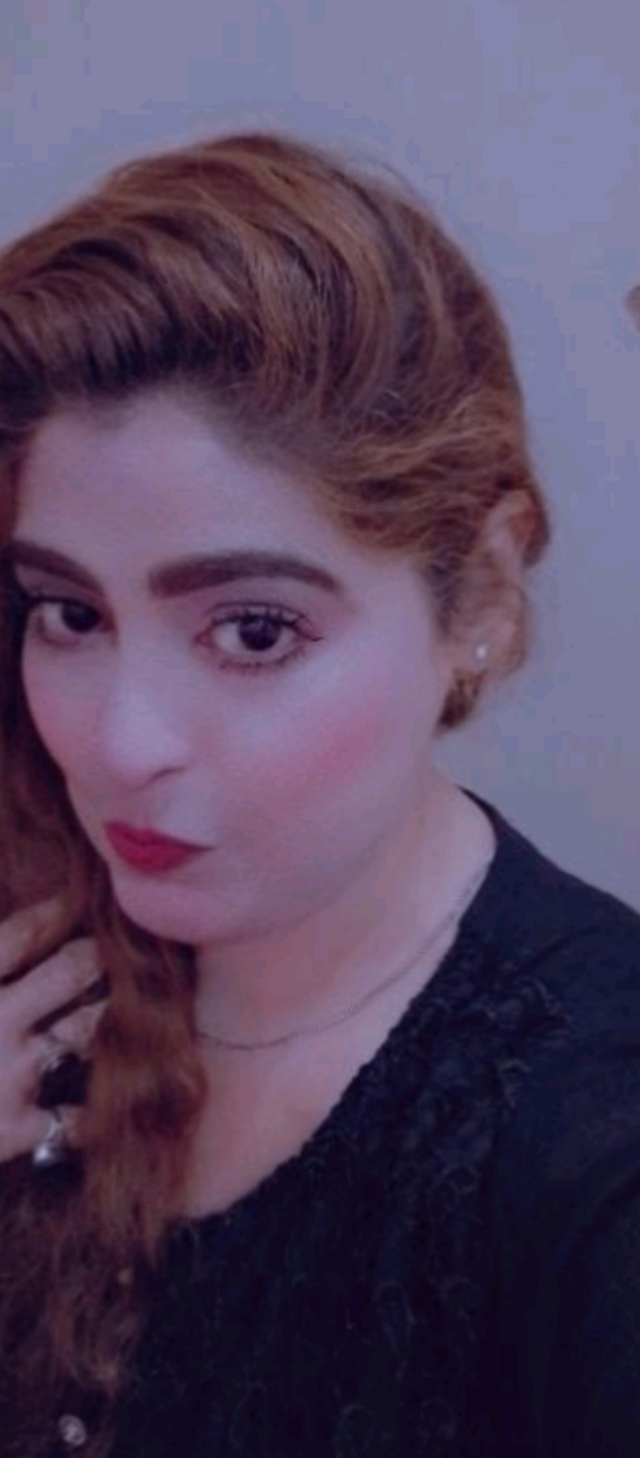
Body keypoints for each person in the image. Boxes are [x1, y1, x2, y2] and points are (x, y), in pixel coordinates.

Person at [0, 127, 638, 1458]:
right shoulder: (32, 952)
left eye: (252, 631)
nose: (120, 742)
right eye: (69, 611)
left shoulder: (597, 1142)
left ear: (480, 594)